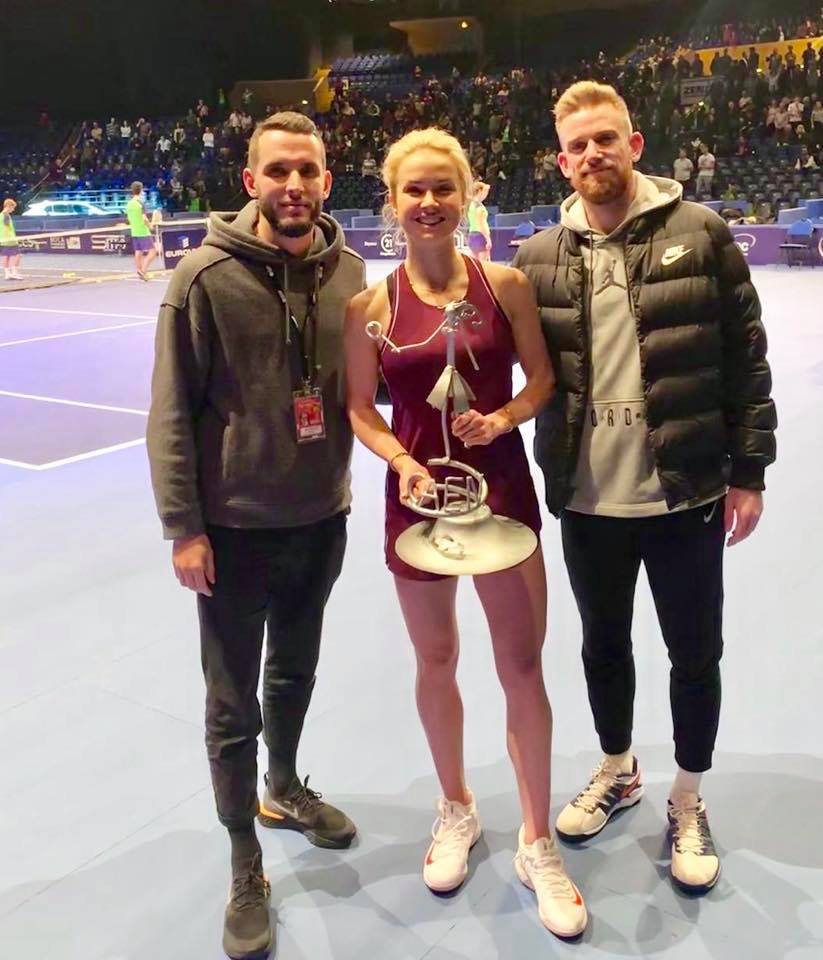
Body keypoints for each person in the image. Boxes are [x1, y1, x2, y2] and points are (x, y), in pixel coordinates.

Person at [513, 81, 776, 895]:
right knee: (602, 646)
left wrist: (748, 472)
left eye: (606, 138)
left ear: (633, 145)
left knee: (694, 653)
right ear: (562, 162)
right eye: (578, 145)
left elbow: (745, 357)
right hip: (587, 498)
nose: (593, 153)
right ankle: (618, 768)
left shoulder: (700, 232)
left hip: (684, 492)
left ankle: (687, 796)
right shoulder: (536, 258)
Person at [344, 128, 587, 939]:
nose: (428, 202)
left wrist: (505, 416)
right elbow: (359, 410)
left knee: (520, 666)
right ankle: (455, 807)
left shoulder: (504, 285)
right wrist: (399, 461)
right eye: (412, 189)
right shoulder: (369, 309)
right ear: (392, 201)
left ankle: (536, 840)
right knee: (436, 659)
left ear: (466, 194)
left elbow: (541, 379)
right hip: (417, 502)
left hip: (502, 494)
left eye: (441, 187)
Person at [146, 112, 366, 960]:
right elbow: (171, 412)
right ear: (251, 182)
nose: (293, 185)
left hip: (320, 515)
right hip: (233, 529)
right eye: (277, 171)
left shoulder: (349, 271)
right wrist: (183, 528)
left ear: (325, 179)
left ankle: (283, 787)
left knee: (295, 671)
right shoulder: (202, 277)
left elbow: (365, 390)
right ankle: (244, 852)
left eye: (307, 171)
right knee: (232, 701)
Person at [125, 181, 158, 280]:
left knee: (138, 251)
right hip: (143, 231)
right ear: (141, 190)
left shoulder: (129, 204)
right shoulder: (140, 203)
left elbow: (129, 219)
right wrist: (150, 226)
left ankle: (139, 270)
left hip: (134, 231)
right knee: (153, 252)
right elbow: (144, 219)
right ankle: (143, 271)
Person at [466, 179, 492, 260]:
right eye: (485, 192)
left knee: (474, 263)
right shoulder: (480, 207)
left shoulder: (470, 204)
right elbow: (482, 224)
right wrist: (488, 239)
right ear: (480, 191)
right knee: (483, 264)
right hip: (481, 236)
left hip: (472, 235)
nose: (486, 194)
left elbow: (487, 187)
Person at [1, 198, 23, 280]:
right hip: (10, 239)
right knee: (16, 255)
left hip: (3, 239)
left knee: (5, 256)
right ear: (8, 206)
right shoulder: (6, 215)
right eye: (13, 207)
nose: (13, 210)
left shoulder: (1, 215)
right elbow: (6, 225)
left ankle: (7, 274)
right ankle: (13, 273)